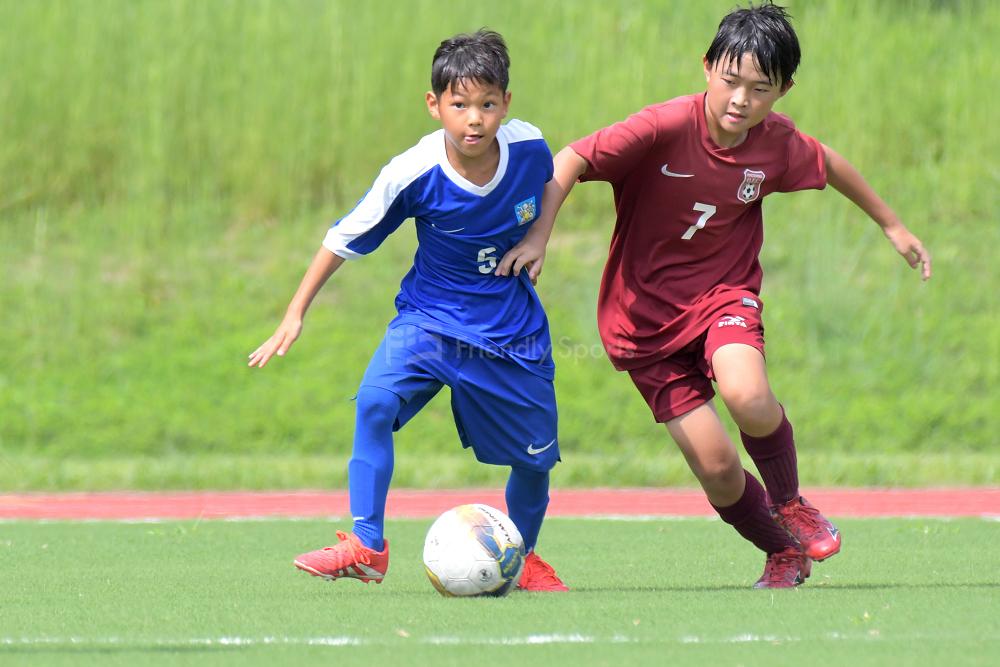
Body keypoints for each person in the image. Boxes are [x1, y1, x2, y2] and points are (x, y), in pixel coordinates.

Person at [496, 2, 931, 588]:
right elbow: (571, 158)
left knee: (747, 393)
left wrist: (892, 225)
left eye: (760, 89)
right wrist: (539, 236)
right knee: (719, 469)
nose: (741, 100)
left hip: (723, 297)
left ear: (784, 91)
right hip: (641, 324)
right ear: (707, 67)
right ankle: (784, 551)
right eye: (730, 80)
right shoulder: (662, 127)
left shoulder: (776, 144)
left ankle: (791, 502)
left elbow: (829, 163)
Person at [249, 29, 568, 592]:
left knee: (535, 460)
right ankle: (366, 544)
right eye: (459, 104)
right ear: (434, 104)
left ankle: (523, 557)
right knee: (374, 403)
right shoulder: (412, 171)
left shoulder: (528, 146)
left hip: (510, 330)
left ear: (506, 104)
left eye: (487, 104)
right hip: (429, 320)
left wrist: (539, 236)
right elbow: (342, 237)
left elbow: (555, 180)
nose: (474, 119)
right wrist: (295, 312)